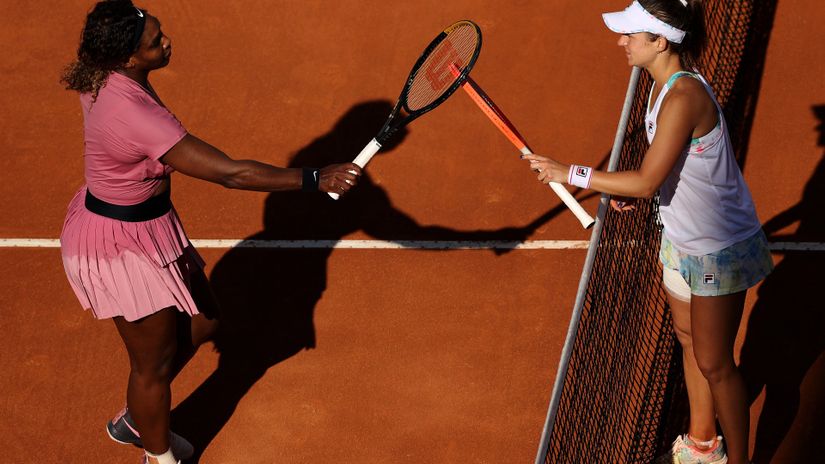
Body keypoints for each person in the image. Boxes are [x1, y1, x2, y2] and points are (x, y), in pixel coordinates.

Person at [59, 1, 361, 463]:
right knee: (152, 367)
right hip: (119, 246)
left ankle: (139, 418)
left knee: (204, 322)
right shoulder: (135, 115)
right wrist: (314, 178)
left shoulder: (104, 73)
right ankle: (157, 455)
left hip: (148, 225)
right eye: (154, 41)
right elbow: (232, 174)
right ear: (127, 58)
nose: (167, 41)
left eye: (161, 32)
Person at [523, 1, 772, 463]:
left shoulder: (682, 98)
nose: (621, 41)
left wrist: (570, 173)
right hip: (680, 239)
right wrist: (634, 192)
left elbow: (647, 179)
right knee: (687, 339)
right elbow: (658, 177)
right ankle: (703, 445)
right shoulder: (660, 89)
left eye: (630, 35)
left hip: (717, 249)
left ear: (660, 42)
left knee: (716, 364)